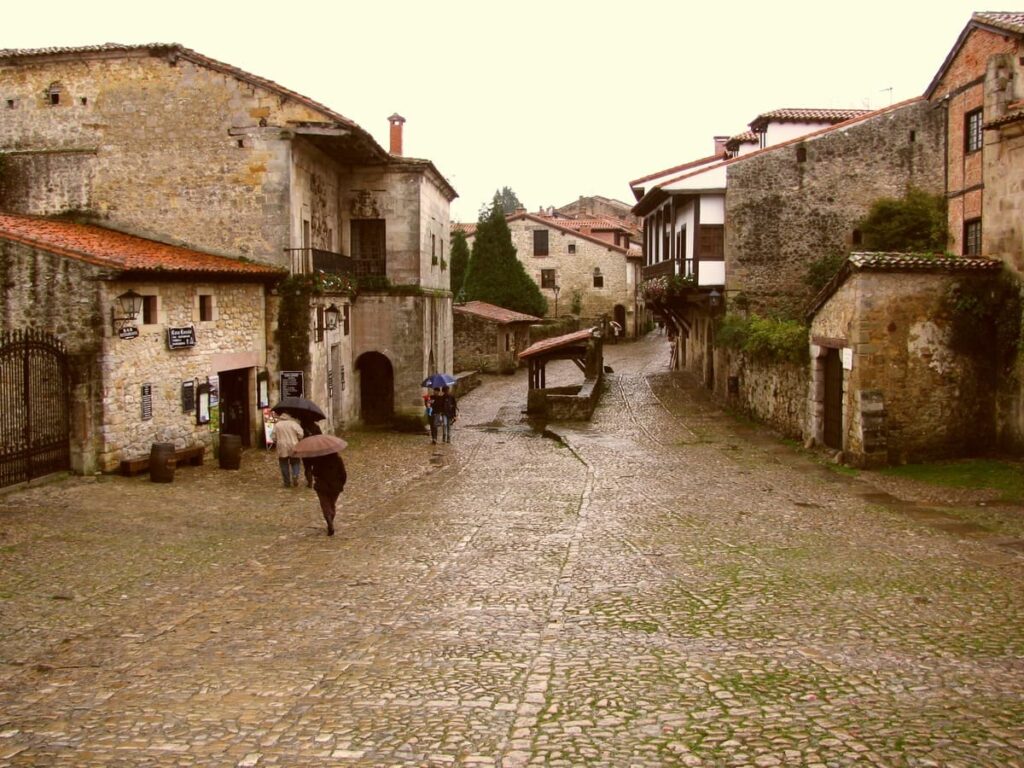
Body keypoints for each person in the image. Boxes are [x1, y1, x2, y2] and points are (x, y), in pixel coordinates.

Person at [307, 450, 347, 536]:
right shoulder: (337, 459)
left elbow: (315, 472)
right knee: (332, 504)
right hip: (335, 486)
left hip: (322, 486)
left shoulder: (318, 459)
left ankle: (329, 520)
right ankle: (331, 519)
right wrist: (341, 483)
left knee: (325, 504)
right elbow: (343, 474)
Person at [273, 412, 304, 487]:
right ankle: (295, 475)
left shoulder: (277, 425)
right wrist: (298, 439)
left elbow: (273, 436)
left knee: (283, 464)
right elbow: (301, 434)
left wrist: (276, 441)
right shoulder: (294, 424)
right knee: (295, 461)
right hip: (293, 445)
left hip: (282, 446)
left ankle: (287, 482)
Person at [299, 417, 323, 488]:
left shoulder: (301, 426)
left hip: (305, 448)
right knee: (315, 465)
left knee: (307, 466)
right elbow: (320, 436)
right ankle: (316, 479)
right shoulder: (316, 427)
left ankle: (309, 481)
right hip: (315, 448)